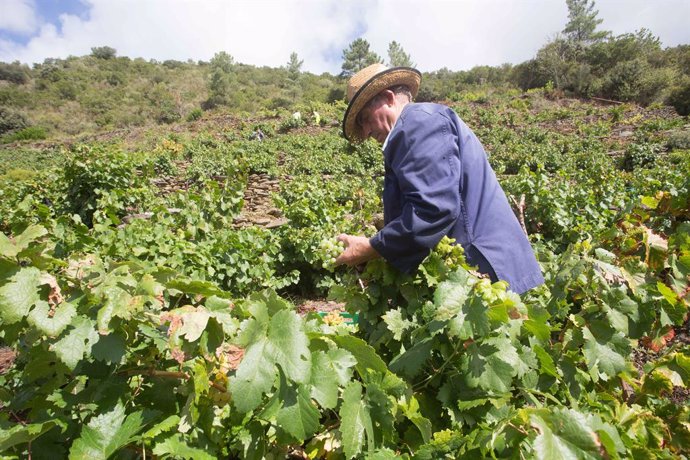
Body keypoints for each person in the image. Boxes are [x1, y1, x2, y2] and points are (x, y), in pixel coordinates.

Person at [335, 64, 543, 294]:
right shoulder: (419, 125)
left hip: (485, 269)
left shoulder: (417, 125)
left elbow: (433, 208)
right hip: (486, 267)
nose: (365, 132)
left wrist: (373, 247)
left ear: (388, 98)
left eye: (365, 119)